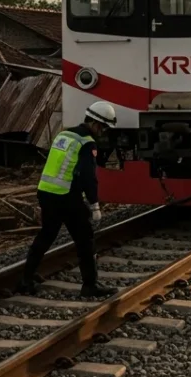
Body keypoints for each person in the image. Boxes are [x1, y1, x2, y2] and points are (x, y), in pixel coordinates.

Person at [20, 101, 118, 298]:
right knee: (85, 239)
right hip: (67, 196)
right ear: (97, 124)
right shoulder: (87, 143)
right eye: (104, 127)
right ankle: (90, 285)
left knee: (46, 236)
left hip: (46, 192)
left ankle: (25, 280)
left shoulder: (64, 135)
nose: (103, 132)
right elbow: (87, 176)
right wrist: (94, 204)